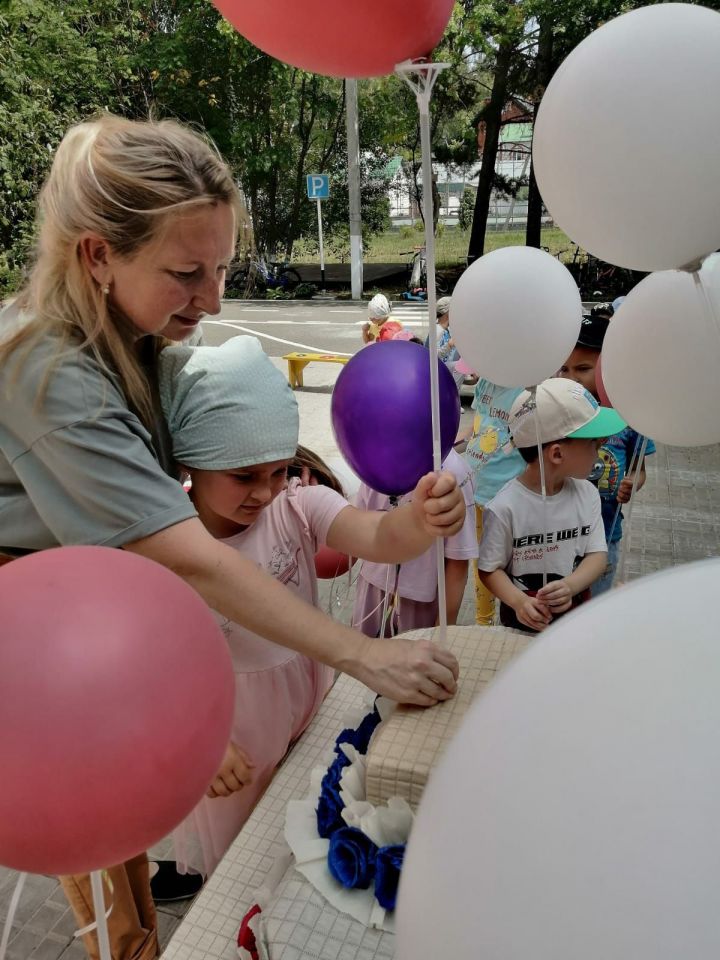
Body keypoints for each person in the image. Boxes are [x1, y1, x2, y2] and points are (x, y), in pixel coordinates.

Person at [0, 114, 458, 960]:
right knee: (106, 888)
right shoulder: (47, 369)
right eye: (186, 272)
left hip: (89, 640)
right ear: (98, 256)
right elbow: (180, 553)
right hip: (40, 673)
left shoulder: (128, 338)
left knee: (127, 862)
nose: (211, 300)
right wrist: (365, 655)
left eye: (220, 268)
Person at [155, 336, 465, 877]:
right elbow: (157, 666)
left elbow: (377, 535)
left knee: (308, 828)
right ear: (191, 462)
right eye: (243, 476)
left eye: (278, 470)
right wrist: (198, 740)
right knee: (244, 867)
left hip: (309, 704)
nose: (265, 491)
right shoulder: (169, 551)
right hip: (231, 738)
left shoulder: (296, 506)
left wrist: (421, 520)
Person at [477, 378, 626, 632]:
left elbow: (597, 555)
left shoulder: (588, 493)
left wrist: (571, 586)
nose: (601, 448)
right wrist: (519, 601)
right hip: (520, 627)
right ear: (557, 453)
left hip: (575, 623)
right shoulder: (505, 507)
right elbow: (490, 569)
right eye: (593, 442)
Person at [557, 310, 656, 594]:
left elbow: (639, 470)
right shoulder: (556, 414)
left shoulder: (628, 415)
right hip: (557, 534)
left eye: (583, 368)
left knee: (594, 606)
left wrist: (632, 484)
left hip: (605, 533)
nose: (572, 378)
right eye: (564, 369)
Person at [352, 449, 477, 637]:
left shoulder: (454, 474)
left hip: (420, 604)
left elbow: (457, 563)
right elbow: (357, 523)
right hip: (371, 587)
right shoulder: (375, 456)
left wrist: (444, 628)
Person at [458, 378, 525, 624]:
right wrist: (445, 449)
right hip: (477, 491)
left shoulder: (527, 390)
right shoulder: (485, 383)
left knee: (509, 563)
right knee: (482, 563)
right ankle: (483, 621)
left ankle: (515, 618)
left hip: (507, 497)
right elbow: (477, 429)